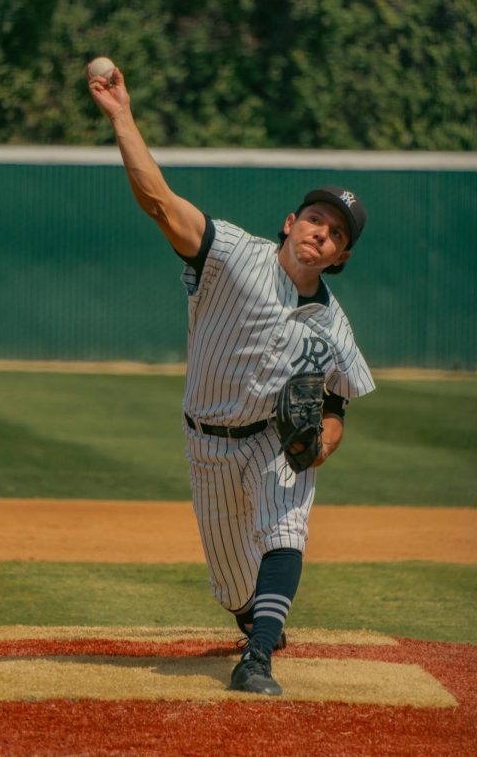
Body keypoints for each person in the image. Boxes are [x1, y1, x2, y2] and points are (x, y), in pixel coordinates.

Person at [87, 64, 375, 696]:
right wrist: (121, 118)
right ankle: (254, 618)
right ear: (289, 223)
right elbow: (159, 200)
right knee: (229, 583)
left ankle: (258, 658)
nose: (321, 232)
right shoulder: (232, 256)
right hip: (207, 442)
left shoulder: (334, 327)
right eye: (315, 219)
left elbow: (337, 406)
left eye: (335, 233)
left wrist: (321, 444)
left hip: (270, 441)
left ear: (341, 256)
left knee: (286, 525)